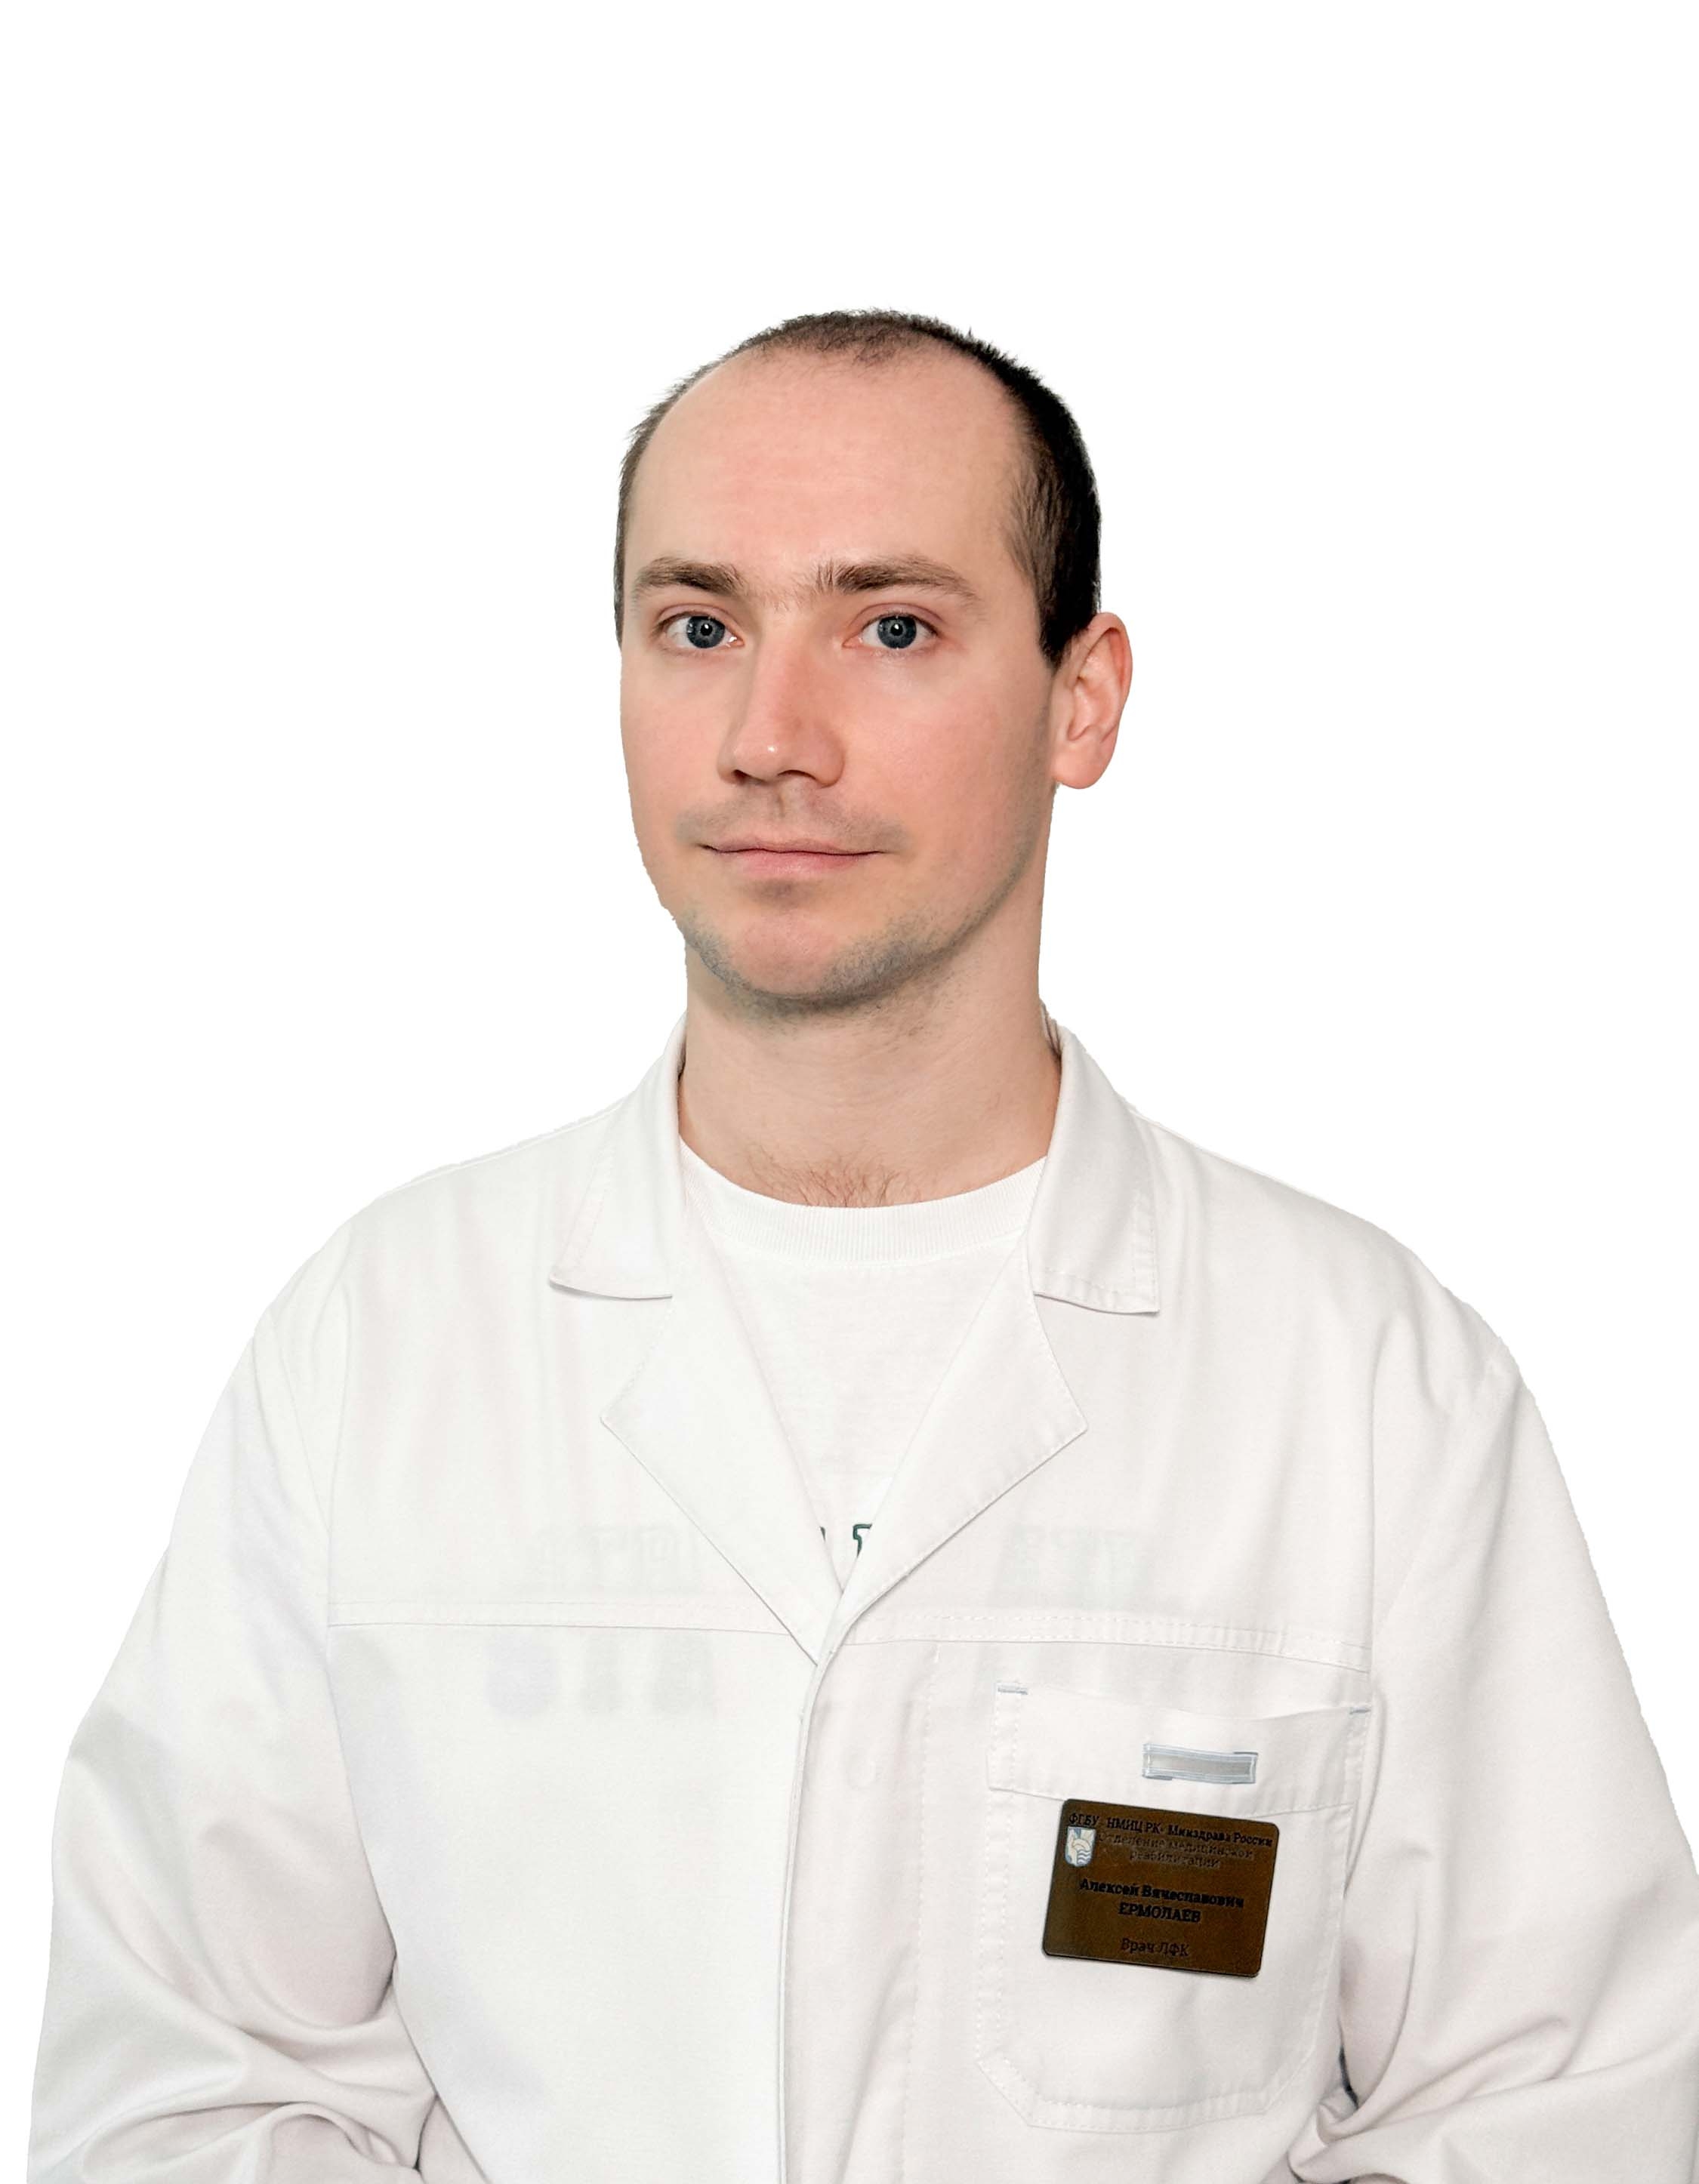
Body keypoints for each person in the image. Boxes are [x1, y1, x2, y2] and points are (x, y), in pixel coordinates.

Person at [28, 309, 1699, 2184]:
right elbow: (177, 2097)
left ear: (1083, 700)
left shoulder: (1366, 1383)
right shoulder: (383, 1344)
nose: (771, 739)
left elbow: (1568, 2113)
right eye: (699, 627)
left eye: (892, 628)